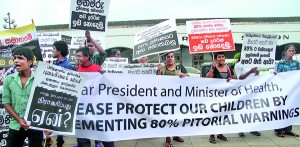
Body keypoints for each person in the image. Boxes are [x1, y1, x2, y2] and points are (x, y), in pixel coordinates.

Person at [2, 47, 45, 147]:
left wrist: (47, 126)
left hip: (36, 124)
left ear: (30, 62)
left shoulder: (40, 79)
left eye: (20, 58)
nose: (16, 61)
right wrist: (19, 120)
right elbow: (6, 102)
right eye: (15, 58)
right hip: (15, 124)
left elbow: (45, 103)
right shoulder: (8, 80)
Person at [76, 47, 110, 147]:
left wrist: (105, 75)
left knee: (103, 134)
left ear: (87, 57)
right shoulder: (77, 69)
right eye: (76, 56)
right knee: (83, 137)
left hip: (96, 107)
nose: (77, 58)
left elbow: (106, 83)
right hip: (82, 107)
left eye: (79, 56)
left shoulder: (97, 68)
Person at [157, 52, 188, 147]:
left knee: (177, 117)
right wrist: (158, 72)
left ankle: (175, 135)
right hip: (166, 98)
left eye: (171, 57)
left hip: (178, 97)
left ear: (174, 58)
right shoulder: (161, 68)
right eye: (168, 57)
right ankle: (167, 139)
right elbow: (156, 81)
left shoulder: (179, 67)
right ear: (165, 59)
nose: (170, 58)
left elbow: (188, 77)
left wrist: (184, 76)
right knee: (167, 118)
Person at [206, 52, 235, 144]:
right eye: (219, 57)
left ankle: (220, 133)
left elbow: (234, 79)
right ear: (216, 59)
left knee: (223, 116)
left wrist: (231, 80)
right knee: (214, 116)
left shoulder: (228, 68)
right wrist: (212, 68)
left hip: (225, 97)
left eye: (223, 56)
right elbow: (208, 79)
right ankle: (212, 135)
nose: (221, 58)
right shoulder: (213, 68)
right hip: (215, 97)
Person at [51, 40, 74, 147]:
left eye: (54, 48)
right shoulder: (54, 63)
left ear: (59, 51)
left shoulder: (67, 65)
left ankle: (60, 142)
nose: (52, 50)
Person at [274, 44, 300, 138]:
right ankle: (278, 130)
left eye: (293, 51)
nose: (291, 53)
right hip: (283, 90)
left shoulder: (297, 64)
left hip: (293, 90)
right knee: (281, 109)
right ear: (286, 52)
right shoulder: (280, 64)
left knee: (291, 109)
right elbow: (277, 77)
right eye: (290, 51)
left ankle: (288, 130)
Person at [234, 55, 261, 137]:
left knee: (252, 110)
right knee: (242, 110)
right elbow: (240, 78)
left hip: (252, 90)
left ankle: (252, 128)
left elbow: (256, 77)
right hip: (242, 90)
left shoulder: (253, 64)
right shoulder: (239, 65)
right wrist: (250, 72)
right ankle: (241, 129)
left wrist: (256, 73)